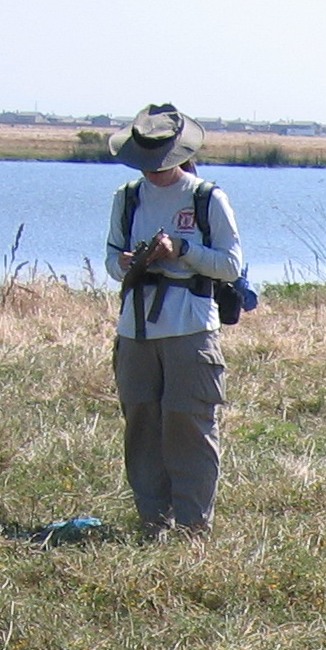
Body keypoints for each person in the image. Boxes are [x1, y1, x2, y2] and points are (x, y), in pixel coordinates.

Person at [104, 105, 245, 539]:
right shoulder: (127, 197)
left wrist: (182, 250)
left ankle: (192, 528)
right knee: (141, 426)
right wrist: (126, 263)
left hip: (191, 329)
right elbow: (110, 259)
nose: (153, 170)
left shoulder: (207, 198)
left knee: (189, 425)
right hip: (135, 331)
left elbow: (230, 265)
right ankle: (153, 524)